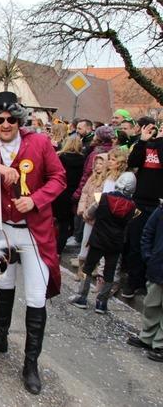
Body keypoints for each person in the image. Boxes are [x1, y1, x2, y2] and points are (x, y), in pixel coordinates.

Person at [0, 91, 66, 395]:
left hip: (33, 232)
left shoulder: (40, 143)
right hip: (1, 229)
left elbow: (59, 178)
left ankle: (31, 363)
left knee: (35, 295)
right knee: (2, 284)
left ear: (19, 119)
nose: (5, 125)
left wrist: (36, 200)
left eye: (11, 119)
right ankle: (0, 337)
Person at [70, 172, 137, 313]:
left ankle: (82, 297)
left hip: (98, 239)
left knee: (87, 268)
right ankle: (102, 303)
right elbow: (129, 223)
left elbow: (88, 213)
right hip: (116, 243)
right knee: (109, 273)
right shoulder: (132, 207)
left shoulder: (103, 198)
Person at [122, 118, 163, 298]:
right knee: (135, 243)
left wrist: (160, 141)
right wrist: (143, 141)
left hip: (158, 203)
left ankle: (148, 282)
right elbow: (133, 162)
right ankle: (133, 282)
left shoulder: (160, 146)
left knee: (153, 244)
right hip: (140, 201)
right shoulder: (147, 145)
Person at [127, 200, 163, 362]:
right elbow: (148, 232)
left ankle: (160, 344)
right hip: (158, 265)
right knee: (151, 303)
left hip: (156, 263)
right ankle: (147, 337)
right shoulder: (160, 210)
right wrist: (149, 256)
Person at [76, 154, 108, 280]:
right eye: (97, 163)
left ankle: (92, 267)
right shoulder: (92, 178)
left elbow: (100, 199)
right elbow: (84, 193)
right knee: (85, 242)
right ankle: (81, 268)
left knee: (96, 244)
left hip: (98, 217)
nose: (98, 166)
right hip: (88, 217)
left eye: (101, 163)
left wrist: (90, 211)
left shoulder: (107, 181)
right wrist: (82, 208)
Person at [53, 135, 85, 254]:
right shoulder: (83, 160)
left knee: (50, 221)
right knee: (65, 224)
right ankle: (58, 251)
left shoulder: (59, 157)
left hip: (57, 193)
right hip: (72, 195)